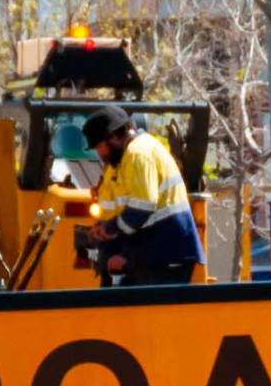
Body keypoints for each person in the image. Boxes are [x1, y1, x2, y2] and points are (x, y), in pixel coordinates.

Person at [83, 105, 201, 285]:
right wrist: (103, 228)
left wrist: (111, 229)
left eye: (99, 146)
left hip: (165, 253)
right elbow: (122, 208)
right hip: (155, 252)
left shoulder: (138, 154)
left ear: (114, 136)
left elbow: (142, 207)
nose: (99, 154)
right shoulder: (122, 159)